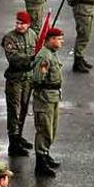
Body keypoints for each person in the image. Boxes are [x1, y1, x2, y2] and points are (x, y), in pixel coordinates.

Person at [1, 11, 37, 157]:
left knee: (23, 108)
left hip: (27, 78)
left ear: (28, 24)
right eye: (17, 23)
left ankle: (19, 136)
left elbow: (37, 49)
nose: (19, 25)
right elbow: (13, 58)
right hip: (15, 79)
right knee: (14, 110)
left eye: (22, 23)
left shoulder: (33, 35)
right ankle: (13, 143)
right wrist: (30, 58)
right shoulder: (9, 38)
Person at [32, 27, 64, 177]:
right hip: (45, 99)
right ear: (50, 39)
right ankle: (40, 162)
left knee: (51, 129)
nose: (61, 42)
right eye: (58, 39)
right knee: (44, 129)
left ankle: (45, 153)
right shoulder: (44, 56)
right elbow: (38, 79)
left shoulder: (52, 54)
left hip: (53, 97)